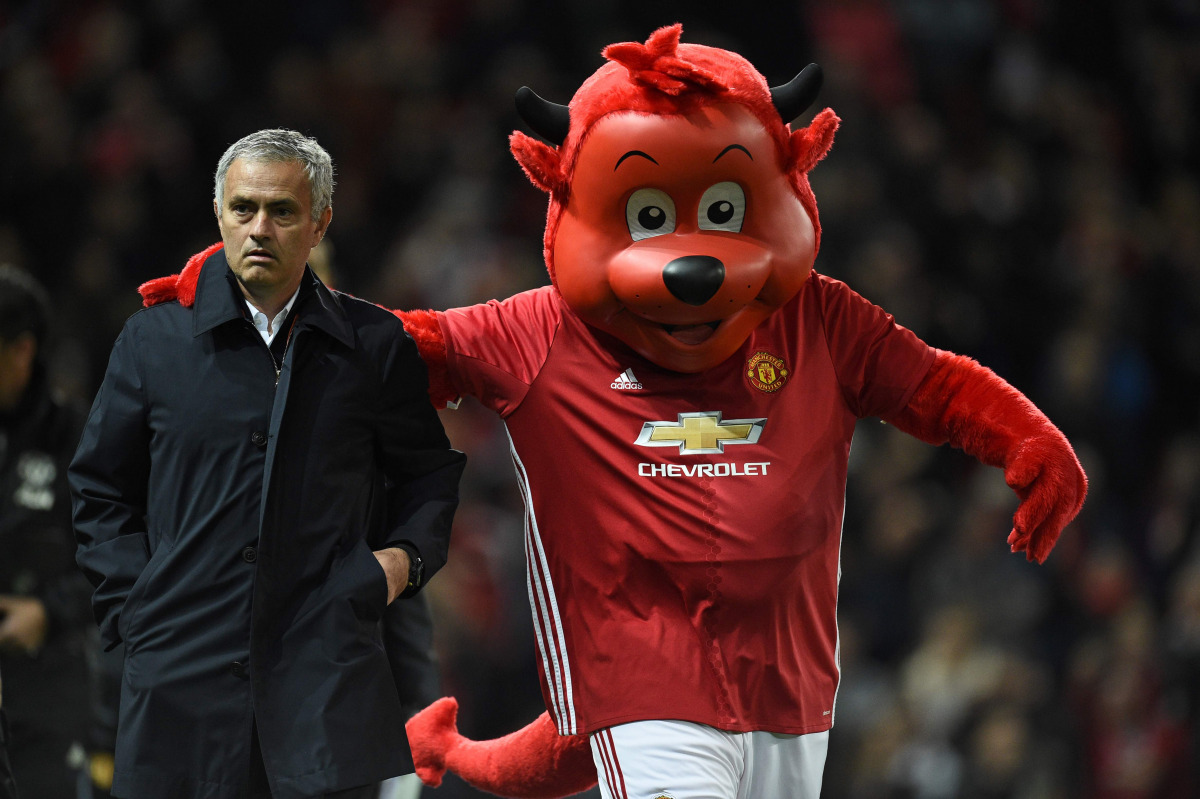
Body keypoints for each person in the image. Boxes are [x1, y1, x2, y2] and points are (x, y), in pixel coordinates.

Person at [69, 128, 466, 799]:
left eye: (282, 211)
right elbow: (100, 489)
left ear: (320, 223)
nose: (260, 228)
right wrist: (138, 612)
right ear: (219, 214)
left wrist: (398, 564)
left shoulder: (374, 345)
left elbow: (426, 475)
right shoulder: (151, 340)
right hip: (178, 688)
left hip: (323, 691)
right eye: (244, 207)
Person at [0, 264, 97, 797]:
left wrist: (47, 611)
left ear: (21, 351)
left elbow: (118, 557)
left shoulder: (76, 438)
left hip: (45, 698)